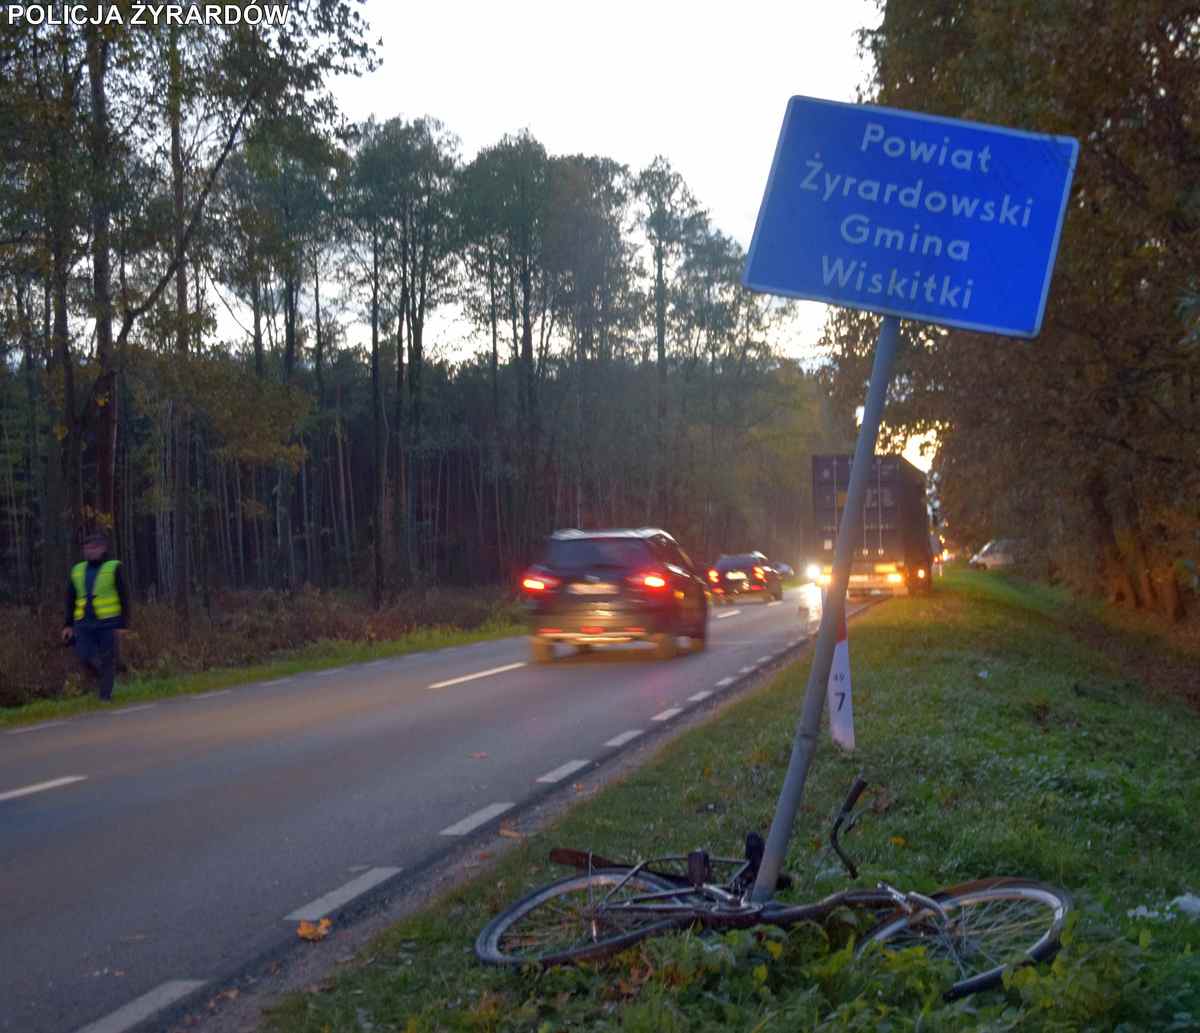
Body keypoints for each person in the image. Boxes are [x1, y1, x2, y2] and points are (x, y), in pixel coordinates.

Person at [61, 531, 131, 702]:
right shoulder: (77, 570)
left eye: (93, 548)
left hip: (108, 622)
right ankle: (108, 679)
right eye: (86, 548)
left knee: (108, 658)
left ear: (103, 549)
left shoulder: (114, 567)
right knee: (85, 656)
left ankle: (105, 697)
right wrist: (67, 625)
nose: (89, 551)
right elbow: (70, 598)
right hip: (83, 623)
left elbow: (124, 596)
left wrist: (123, 624)